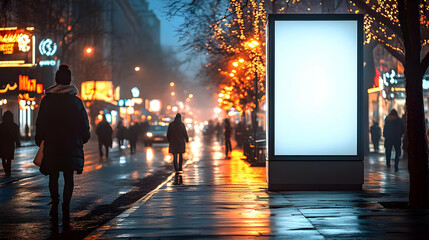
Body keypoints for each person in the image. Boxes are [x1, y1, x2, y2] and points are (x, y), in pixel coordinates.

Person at [35, 64, 90, 223]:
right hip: (71, 144)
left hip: (52, 143)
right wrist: (84, 137)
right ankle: (66, 206)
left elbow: (41, 122)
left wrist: (40, 139)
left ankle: (55, 202)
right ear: (69, 81)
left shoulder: (47, 101)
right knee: (68, 177)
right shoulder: (76, 102)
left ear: (56, 80)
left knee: (52, 175)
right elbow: (83, 124)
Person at [0, 111, 21, 176]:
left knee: (5, 158)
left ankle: (7, 170)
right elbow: (16, 135)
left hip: (5, 144)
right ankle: (7, 170)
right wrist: (17, 142)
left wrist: (17, 142)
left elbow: (16, 135)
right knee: (6, 158)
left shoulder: (2, 126)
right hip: (6, 144)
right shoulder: (13, 126)